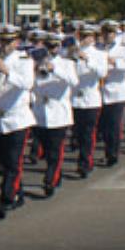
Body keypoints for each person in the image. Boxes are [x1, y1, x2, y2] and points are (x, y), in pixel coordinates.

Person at [0, 24, 35, 219]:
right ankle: (18, 193)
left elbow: (27, 83)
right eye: (1, 41)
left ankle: (6, 201)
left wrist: (7, 71)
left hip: (17, 119)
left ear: (17, 42)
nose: (4, 45)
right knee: (5, 162)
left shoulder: (24, 60)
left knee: (14, 163)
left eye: (8, 41)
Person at [32, 34, 78, 198]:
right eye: (48, 46)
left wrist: (55, 69)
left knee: (55, 151)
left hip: (59, 113)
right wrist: (34, 70)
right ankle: (55, 175)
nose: (51, 50)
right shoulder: (37, 63)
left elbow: (74, 81)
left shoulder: (67, 63)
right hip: (41, 113)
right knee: (47, 149)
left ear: (59, 47)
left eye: (54, 46)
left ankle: (50, 179)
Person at [69, 25, 108, 178]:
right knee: (77, 133)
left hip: (91, 99)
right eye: (82, 36)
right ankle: (83, 158)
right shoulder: (72, 53)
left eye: (87, 36)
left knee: (88, 133)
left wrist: (88, 60)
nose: (84, 39)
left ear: (92, 37)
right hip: (74, 99)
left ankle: (85, 163)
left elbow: (102, 73)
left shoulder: (99, 54)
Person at [98, 20, 125, 167]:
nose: (108, 35)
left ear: (115, 34)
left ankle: (112, 154)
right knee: (103, 126)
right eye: (105, 32)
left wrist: (116, 63)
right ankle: (108, 150)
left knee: (113, 125)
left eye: (111, 32)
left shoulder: (124, 50)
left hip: (117, 91)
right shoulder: (97, 48)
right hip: (100, 92)